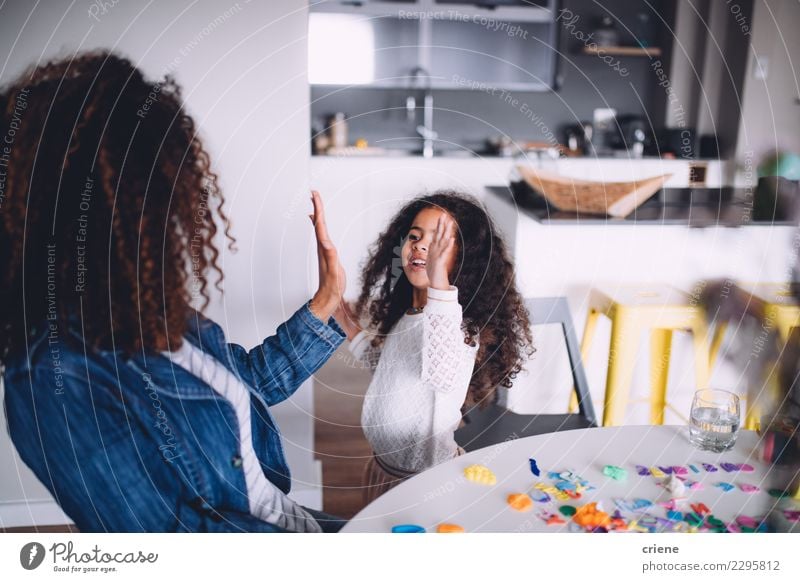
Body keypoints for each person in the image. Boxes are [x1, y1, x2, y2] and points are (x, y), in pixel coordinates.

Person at [0, 51, 347, 532]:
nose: (179, 214)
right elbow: (179, 541)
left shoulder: (143, 308)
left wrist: (327, 302)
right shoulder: (54, 382)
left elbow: (242, 386)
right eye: (157, 191)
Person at [334, 192, 534, 503]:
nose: (422, 245)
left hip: (424, 484)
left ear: (465, 259)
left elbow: (440, 373)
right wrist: (346, 321)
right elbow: (390, 367)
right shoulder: (411, 315)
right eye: (414, 236)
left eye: (439, 241)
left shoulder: (459, 327)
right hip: (382, 470)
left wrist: (439, 279)